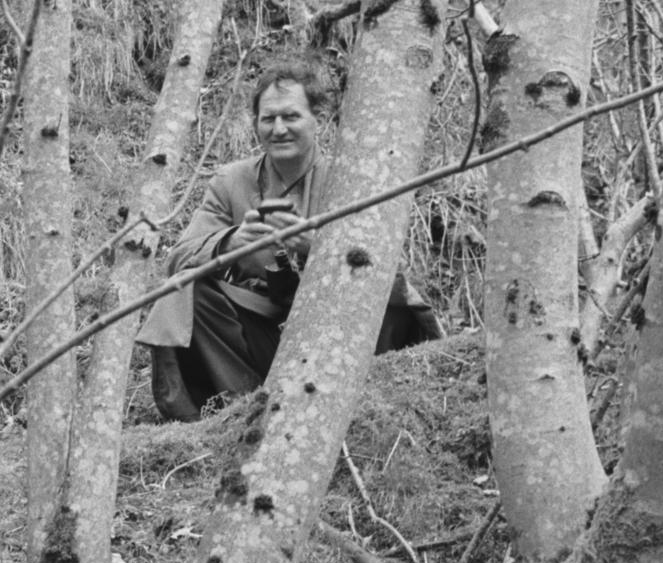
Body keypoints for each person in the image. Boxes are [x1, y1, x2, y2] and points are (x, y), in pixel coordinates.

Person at [137, 64, 444, 421]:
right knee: (187, 290)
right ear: (255, 123)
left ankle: (363, 402)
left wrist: (318, 248)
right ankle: (242, 411)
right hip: (259, 335)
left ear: (318, 119)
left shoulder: (349, 180)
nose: (279, 129)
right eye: (268, 119)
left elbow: (386, 272)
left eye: (291, 116)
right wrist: (233, 242)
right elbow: (180, 258)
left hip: (336, 333)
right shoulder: (230, 182)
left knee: (390, 302)